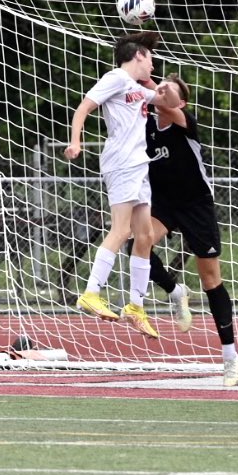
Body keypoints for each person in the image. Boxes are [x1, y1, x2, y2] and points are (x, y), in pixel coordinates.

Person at [145, 74, 238, 386]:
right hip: (163, 205)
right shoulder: (145, 124)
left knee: (211, 280)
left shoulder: (183, 119)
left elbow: (167, 101)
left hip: (196, 205)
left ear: (181, 101)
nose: (161, 89)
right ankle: (175, 291)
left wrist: (146, 77)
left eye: (168, 87)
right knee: (137, 244)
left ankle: (230, 357)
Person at [64, 31, 161, 338]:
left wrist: (152, 84)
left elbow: (168, 101)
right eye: (150, 57)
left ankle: (135, 305)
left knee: (144, 235)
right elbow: (83, 108)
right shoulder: (116, 78)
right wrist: (75, 142)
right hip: (121, 163)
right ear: (138, 56)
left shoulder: (136, 86)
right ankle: (91, 293)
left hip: (140, 165)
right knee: (121, 230)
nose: (154, 64)